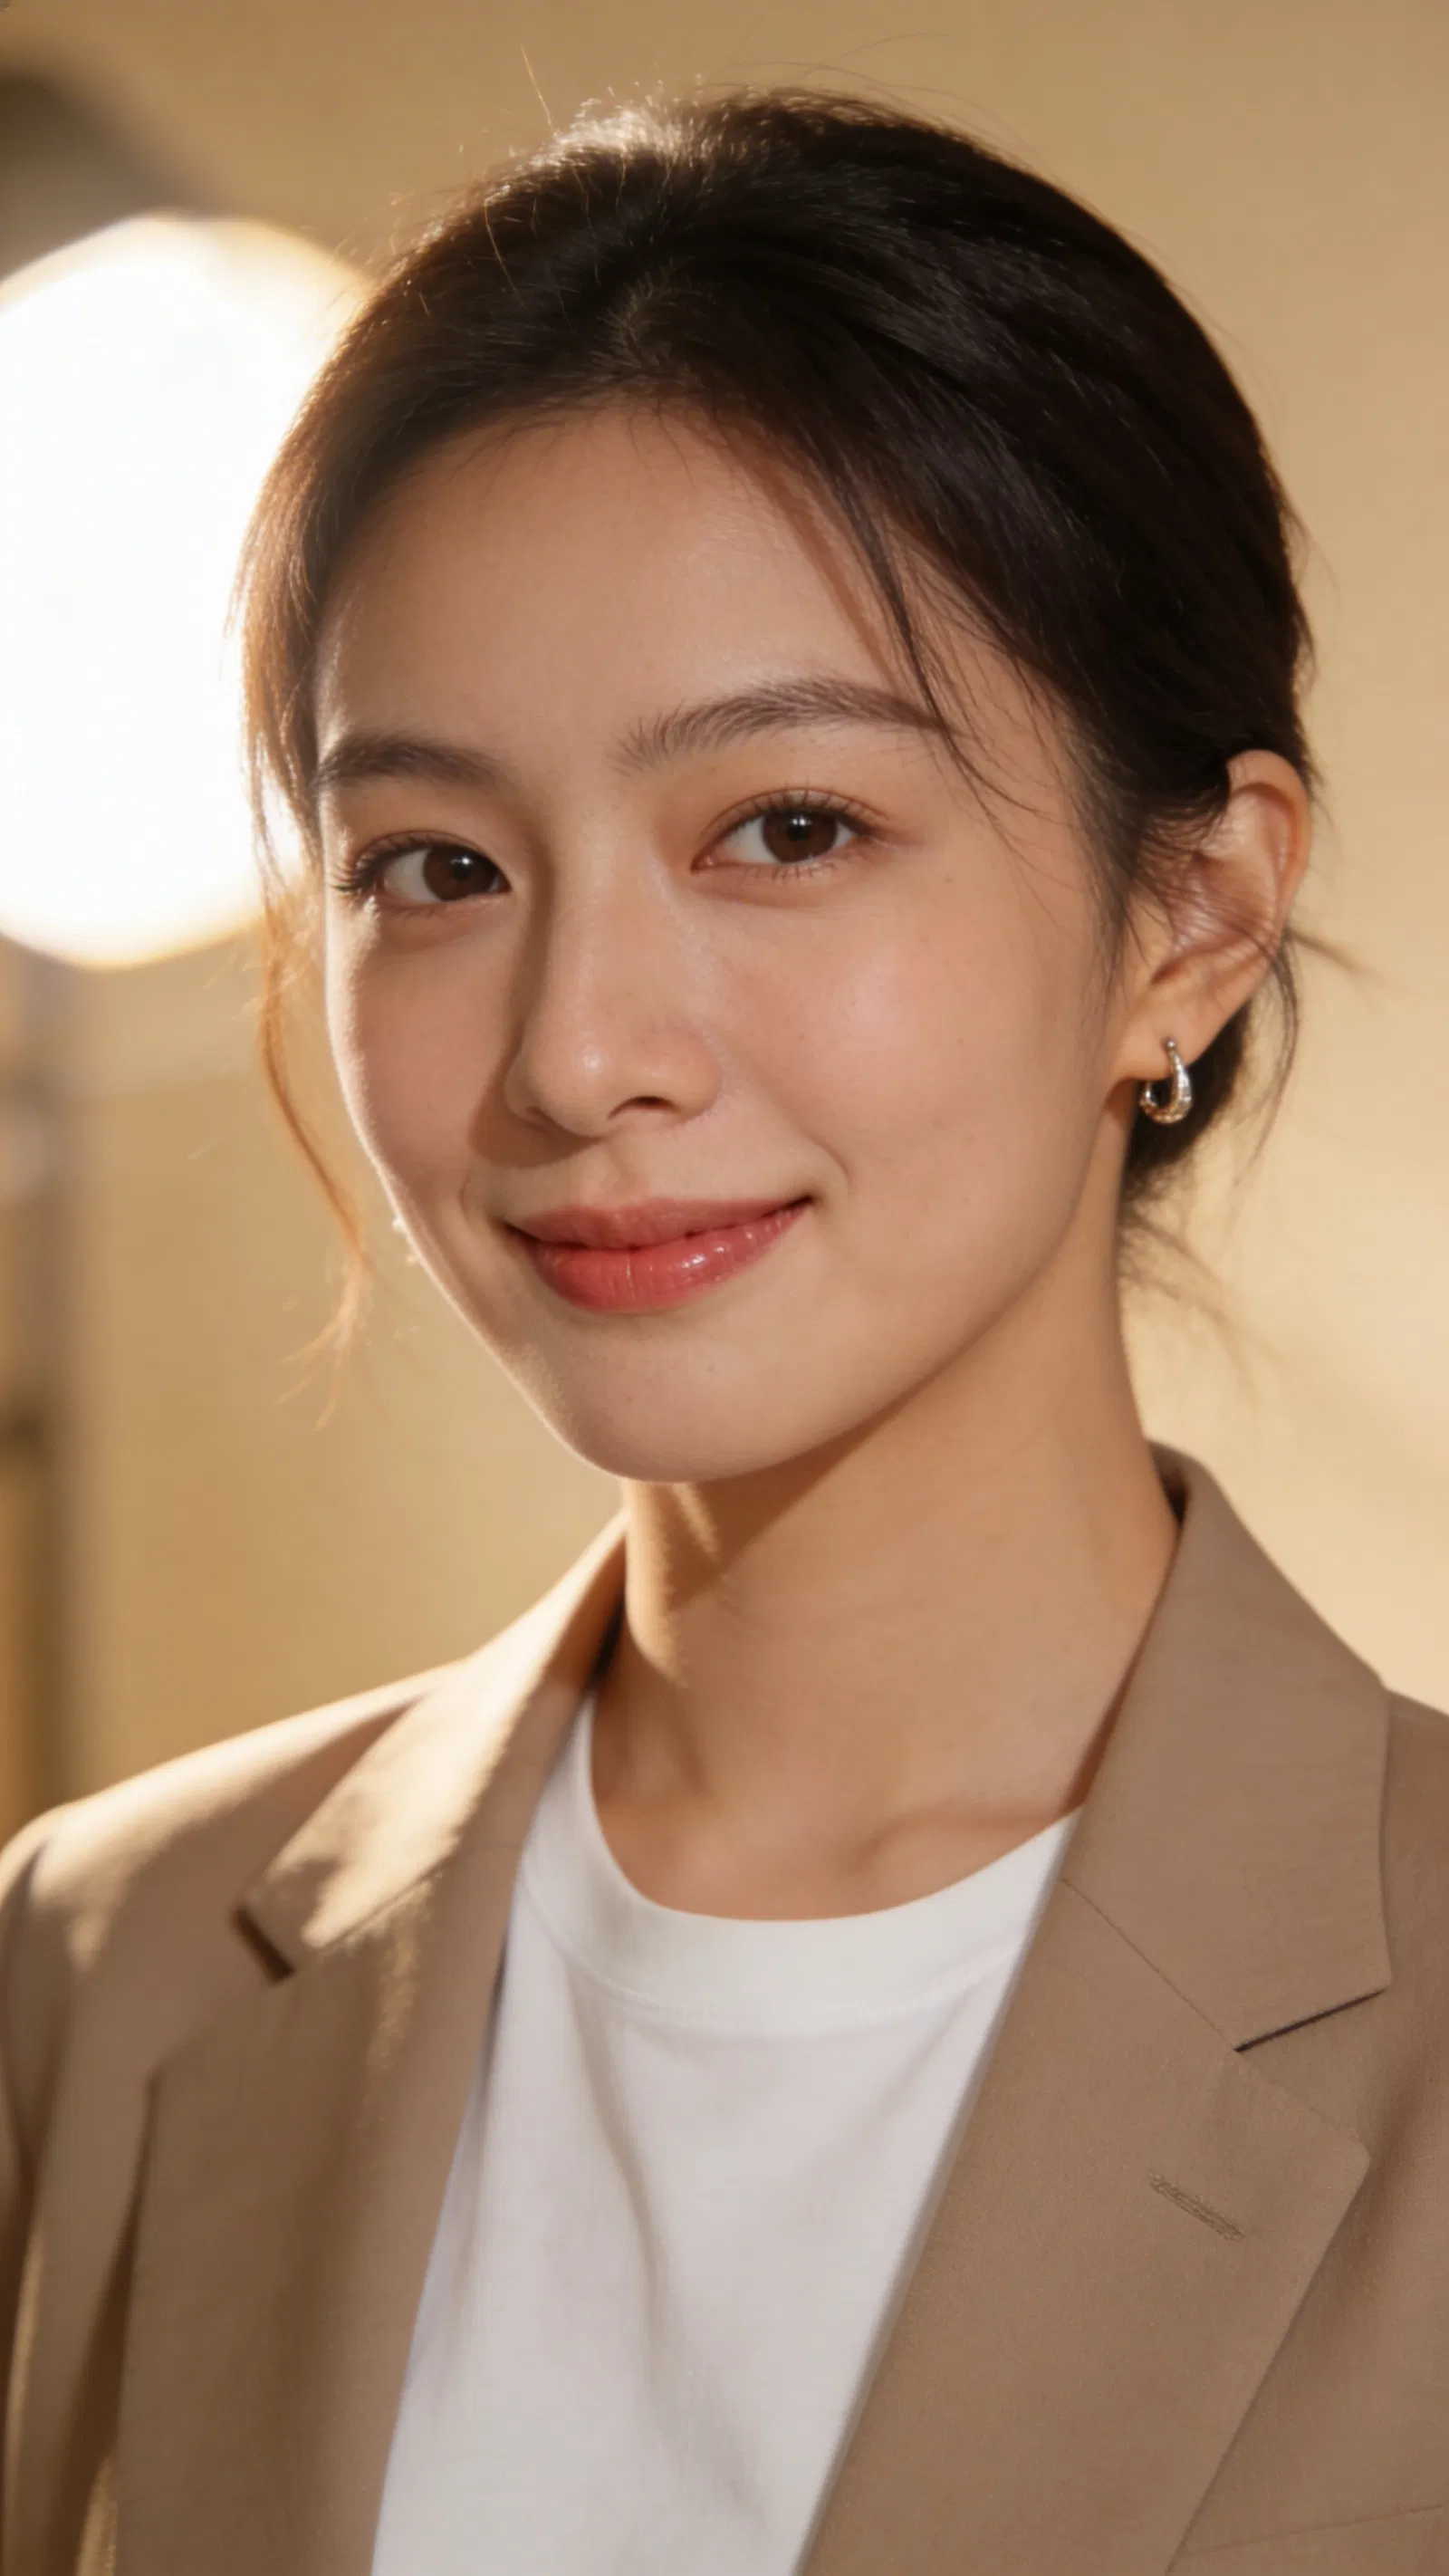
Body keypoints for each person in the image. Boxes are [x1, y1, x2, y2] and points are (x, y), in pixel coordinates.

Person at [2, 88, 1445, 2576]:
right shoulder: (97, 1969)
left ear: (1192, 918)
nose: (579, 1053)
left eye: (787, 828)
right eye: (435, 865)